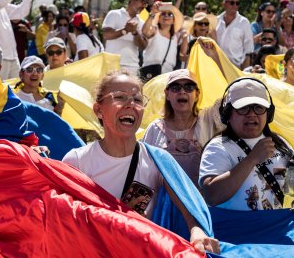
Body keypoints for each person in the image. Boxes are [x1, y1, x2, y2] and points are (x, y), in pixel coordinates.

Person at [62, 70, 220, 255]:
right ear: (98, 109)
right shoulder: (76, 161)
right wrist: (117, 219)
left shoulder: (159, 161)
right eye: (120, 97)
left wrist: (197, 232)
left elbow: (191, 208)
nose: (130, 105)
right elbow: (64, 221)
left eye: (137, 100)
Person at [199, 77, 294, 212]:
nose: (252, 114)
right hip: (234, 230)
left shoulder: (280, 146)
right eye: (243, 108)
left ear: (269, 114)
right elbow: (212, 196)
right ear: (227, 114)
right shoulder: (218, 147)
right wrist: (252, 159)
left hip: (274, 228)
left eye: (258, 108)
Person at [143, 69, 225, 187]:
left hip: (199, 202)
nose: (182, 92)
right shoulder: (154, 129)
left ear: (197, 95)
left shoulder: (208, 120)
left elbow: (233, 94)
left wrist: (215, 57)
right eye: (175, 88)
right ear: (167, 94)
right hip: (163, 202)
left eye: (189, 87)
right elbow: (145, 170)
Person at [102, 0, 150, 75]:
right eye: (142, 1)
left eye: (145, 4)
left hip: (132, 66)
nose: (144, 6)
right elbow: (106, 35)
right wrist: (125, 30)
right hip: (111, 65)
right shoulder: (114, 14)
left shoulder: (142, 22)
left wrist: (135, 33)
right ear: (132, 0)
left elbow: (143, 46)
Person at [141, 2, 187, 79]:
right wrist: (152, 13)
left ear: (173, 21)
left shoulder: (175, 37)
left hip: (168, 74)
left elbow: (183, 54)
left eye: (170, 14)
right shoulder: (154, 30)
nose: (166, 16)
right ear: (158, 19)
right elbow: (145, 32)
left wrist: (185, 38)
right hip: (150, 72)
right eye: (163, 14)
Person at [216, 0, 254, 69]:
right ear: (224, 4)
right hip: (217, 65)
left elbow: (249, 48)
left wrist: (244, 71)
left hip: (236, 67)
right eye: (232, 3)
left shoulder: (244, 22)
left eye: (237, 3)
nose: (235, 5)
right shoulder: (216, 20)